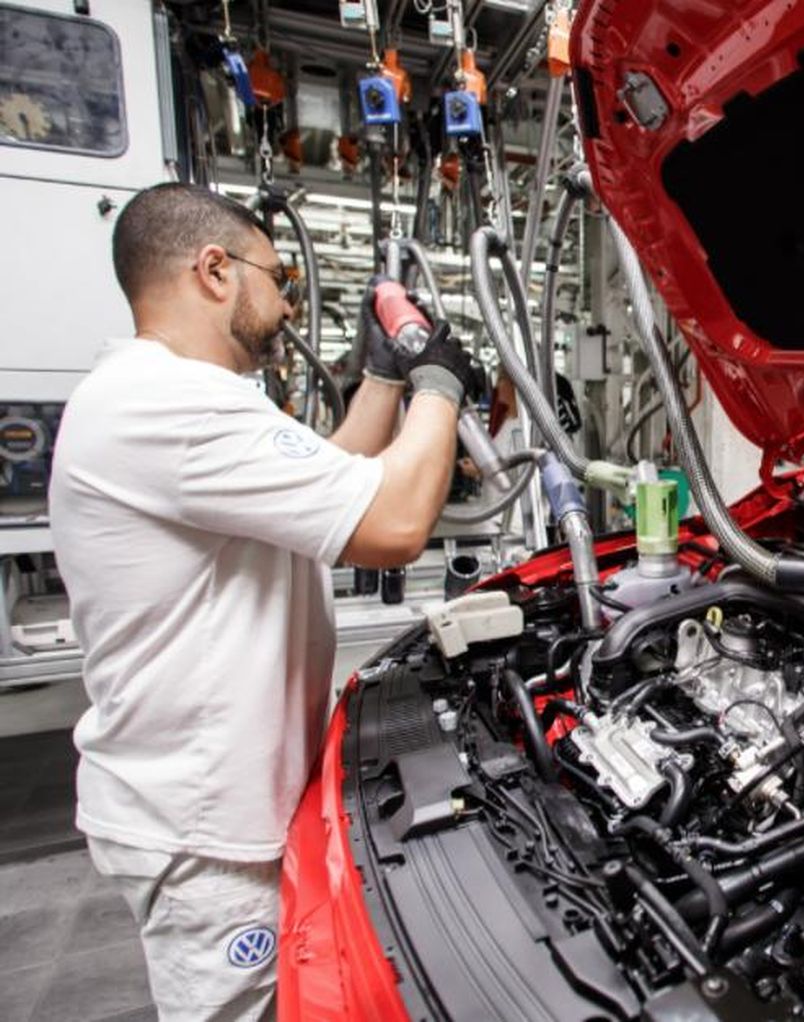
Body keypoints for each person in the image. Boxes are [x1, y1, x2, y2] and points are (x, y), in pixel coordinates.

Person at [47, 183, 474, 1020]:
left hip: (209, 796)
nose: (285, 305)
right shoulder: (165, 406)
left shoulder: (159, 396)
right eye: (277, 279)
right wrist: (441, 385)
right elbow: (389, 522)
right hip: (204, 825)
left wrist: (385, 381)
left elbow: (327, 475)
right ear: (215, 271)